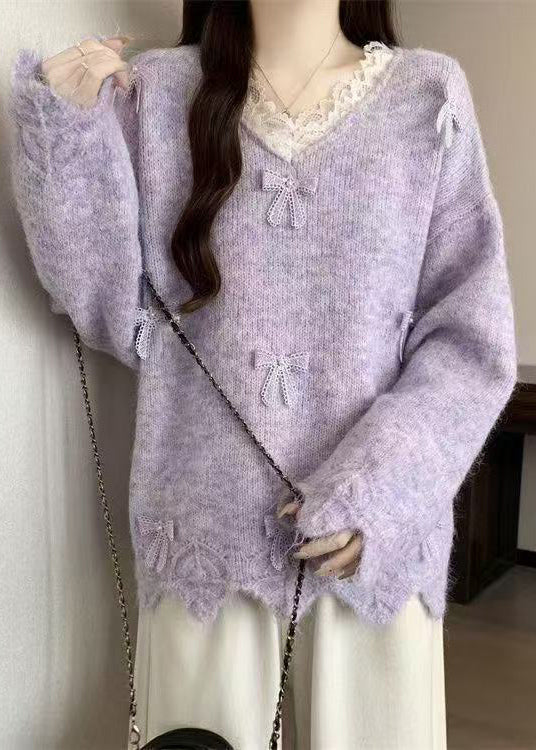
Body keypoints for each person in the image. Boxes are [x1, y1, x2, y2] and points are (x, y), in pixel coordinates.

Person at [9, 1, 517, 748]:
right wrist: (65, 130)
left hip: (370, 563)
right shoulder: (158, 95)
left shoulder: (427, 95)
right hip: (204, 562)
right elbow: (116, 311)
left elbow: (471, 341)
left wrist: (382, 489)